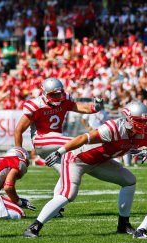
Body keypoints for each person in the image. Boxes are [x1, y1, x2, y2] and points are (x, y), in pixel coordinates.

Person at [23, 101, 147, 237]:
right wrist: (59, 152)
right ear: (127, 119)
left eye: (145, 121)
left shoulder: (144, 134)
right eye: (139, 121)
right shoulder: (113, 128)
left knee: (129, 181)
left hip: (101, 162)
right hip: (78, 159)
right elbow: (83, 138)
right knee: (68, 195)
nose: (143, 125)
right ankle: (34, 227)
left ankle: (123, 225)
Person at [14, 77, 103, 217]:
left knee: (68, 172)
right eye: (53, 95)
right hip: (42, 140)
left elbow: (78, 107)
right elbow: (19, 130)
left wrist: (94, 108)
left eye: (58, 94)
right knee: (77, 141)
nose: (57, 97)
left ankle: (55, 208)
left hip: (57, 143)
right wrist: (18, 153)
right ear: (44, 93)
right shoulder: (36, 105)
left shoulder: (65, 99)